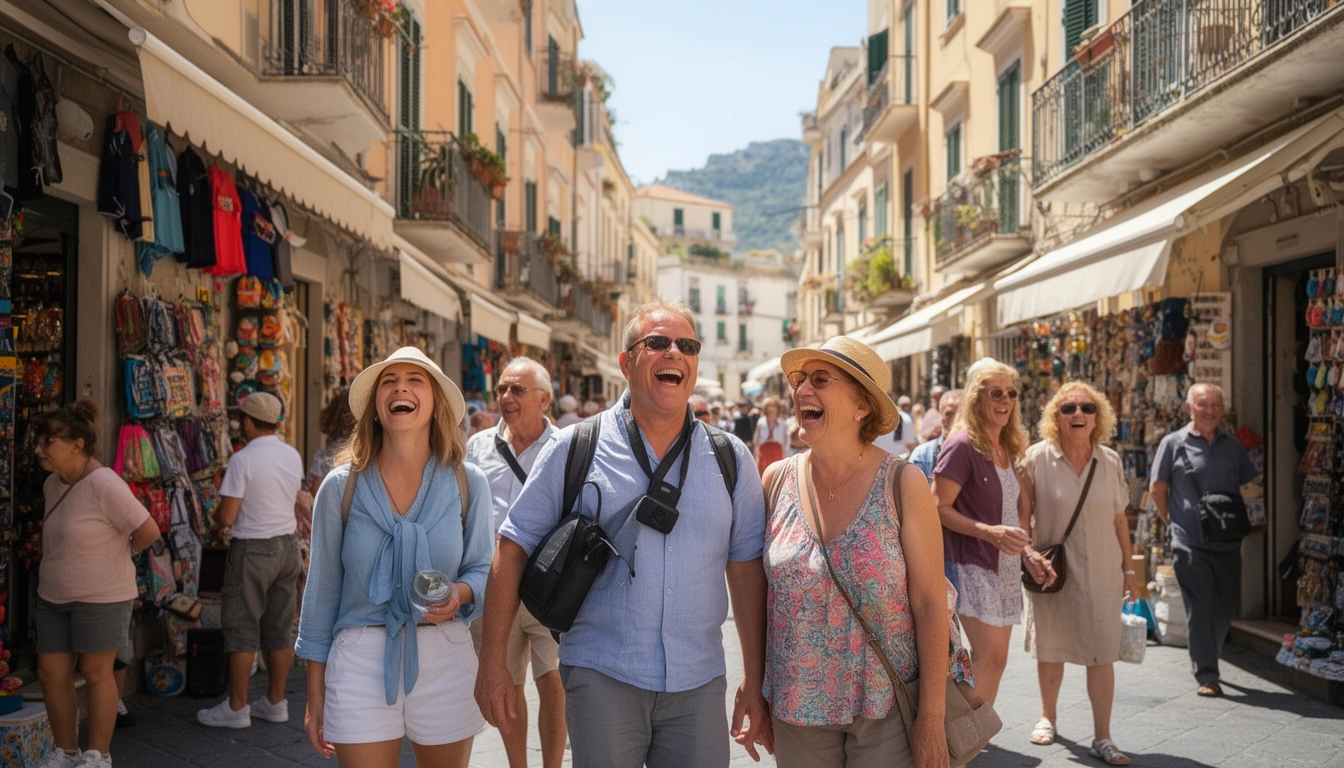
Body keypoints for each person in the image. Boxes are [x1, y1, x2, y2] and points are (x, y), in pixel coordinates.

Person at [476, 298, 771, 767]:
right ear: (626, 362)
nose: (674, 352)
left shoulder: (731, 459)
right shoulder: (576, 446)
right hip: (602, 673)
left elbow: (746, 570)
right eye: (656, 342)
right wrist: (492, 663)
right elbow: (511, 547)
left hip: (699, 681)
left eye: (686, 345)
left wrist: (754, 679)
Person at [764, 337, 959, 767]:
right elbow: (761, 597)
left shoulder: (903, 484)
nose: (801, 391)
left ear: (862, 405)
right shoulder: (775, 481)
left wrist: (931, 716)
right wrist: (756, 689)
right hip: (798, 706)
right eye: (799, 380)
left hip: (885, 704)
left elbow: (930, 604)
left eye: (819, 380)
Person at [296, 347, 494, 767]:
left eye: (414, 379)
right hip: (360, 657)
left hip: (443, 653)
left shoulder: (467, 481)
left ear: (436, 403)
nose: (400, 387)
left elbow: (483, 569)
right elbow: (321, 591)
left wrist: (458, 594)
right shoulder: (338, 487)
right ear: (375, 406)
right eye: (389, 381)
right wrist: (315, 695)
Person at [34, 400, 161, 768]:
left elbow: (147, 531)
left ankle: (98, 755)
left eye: (48, 442)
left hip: (102, 597)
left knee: (95, 672)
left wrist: (113, 557)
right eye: (40, 441)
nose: (40, 449)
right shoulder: (51, 485)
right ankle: (66, 751)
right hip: (52, 595)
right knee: (50, 674)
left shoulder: (105, 483)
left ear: (77, 444)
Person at [1022, 382, 1136, 765]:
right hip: (1053, 573)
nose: (1078, 415)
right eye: (1068, 408)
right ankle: (1047, 717)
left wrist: (1129, 569)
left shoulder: (1111, 461)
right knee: (1051, 646)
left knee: (1102, 652)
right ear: (1056, 416)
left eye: (1087, 408)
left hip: (1103, 572)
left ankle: (1103, 737)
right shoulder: (1036, 458)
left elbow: (1121, 519)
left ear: (1098, 416)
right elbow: (1022, 518)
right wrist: (1026, 556)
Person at [465, 358, 567, 768]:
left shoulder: (566, 446)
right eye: (502, 389)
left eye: (517, 390)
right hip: (496, 585)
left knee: (554, 685)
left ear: (544, 399)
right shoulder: (478, 446)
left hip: (549, 587)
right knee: (505, 685)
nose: (506, 397)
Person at [932, 361, 1052, 706]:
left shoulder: (1009, 445)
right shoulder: (962, 444)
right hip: (971, 564)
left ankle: (967, 741)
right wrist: (988, 532)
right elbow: (937, 506)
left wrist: (1028, 553)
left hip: (1004, 567)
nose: (1005, 400)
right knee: (989, 658)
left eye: (1011, 393)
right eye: (995, 393)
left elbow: (1016, 511)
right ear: (977, 397)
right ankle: (957, 740)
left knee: (994, 662)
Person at [199, 392, 305, 729]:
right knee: (279, 627)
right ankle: (276, 702)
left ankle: (237, 707)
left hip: (253, 549)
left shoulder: (242, 459)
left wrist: (214, 509)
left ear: (247, 422)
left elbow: (226, 517)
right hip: (287, 548)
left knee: (242, 628)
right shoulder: (291, 454)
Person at [1149, 382, 1257, 698]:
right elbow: (1157, 488)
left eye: (1215, 406)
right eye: (1203, 405)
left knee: (1224, 607)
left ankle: (1209, 653)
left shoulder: (1232, 445)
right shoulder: (1173, 443)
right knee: (1200, 604)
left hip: (1227, 541)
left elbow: (1249, 487)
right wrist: (1172, 521)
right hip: (1189, 540)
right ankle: (1207, 673)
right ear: (1189, 408)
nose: (1209, 411)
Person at [909, 390, 963, 480]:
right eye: (949, 414)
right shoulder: (922, 456)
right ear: (941, 417)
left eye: (961, 414)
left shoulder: (981, 455)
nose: (955, 420)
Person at [754, 396, 788, 475]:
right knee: (763, 473)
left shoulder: (782, 423)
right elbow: (756, 438)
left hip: (777, 450)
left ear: (777, 408)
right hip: (764, 450)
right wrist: (756, 454)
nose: (771, 409)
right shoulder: (761, 422)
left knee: (777, 473)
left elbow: (786, 440)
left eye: (773, 406)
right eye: (769, 407)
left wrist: (786, 454)